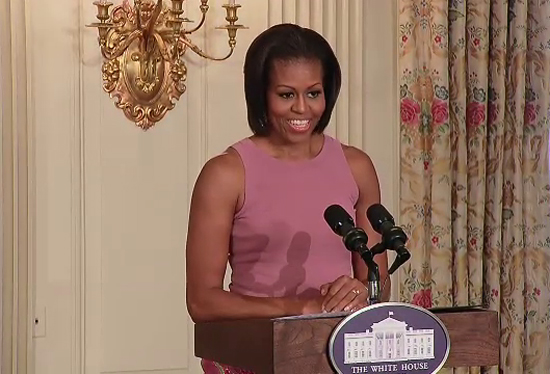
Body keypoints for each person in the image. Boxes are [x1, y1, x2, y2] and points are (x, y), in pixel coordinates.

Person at [185, 23, 390, 374]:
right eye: (286, 94)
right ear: (261, 94)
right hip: (254, 355)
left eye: (313, 93)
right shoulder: (225, 174)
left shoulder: (356, 167)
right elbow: (202, 301)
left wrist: (359, 293)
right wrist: (301, 307)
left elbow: (378, 283)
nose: (302, 109)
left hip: (340, 355)